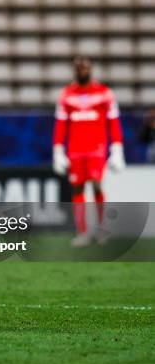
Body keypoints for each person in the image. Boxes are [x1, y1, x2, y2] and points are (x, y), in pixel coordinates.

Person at [52, 56, 125, 247]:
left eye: (85, 68)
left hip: (96, 148)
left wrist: (117, 148)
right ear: (75, 71)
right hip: (75, 149)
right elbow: (60, 124)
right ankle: (82, 232)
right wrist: (58, 150)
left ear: (90, 69)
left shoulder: (104, 93)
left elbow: (113, 122)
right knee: (77, 188)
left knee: (96, 185)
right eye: (78, 68)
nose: (82, 71)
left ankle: (101, 229)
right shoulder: (67, 94)